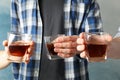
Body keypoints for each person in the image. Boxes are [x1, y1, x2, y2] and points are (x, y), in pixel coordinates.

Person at [0, 0, 103, 80]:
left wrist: (79, 47)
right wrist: (9, 55)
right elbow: (15, 40)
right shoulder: (19, 1)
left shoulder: (88, 1)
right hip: (27, 75)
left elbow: (97, 49)